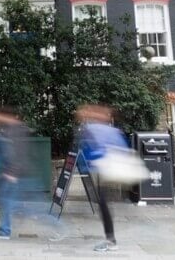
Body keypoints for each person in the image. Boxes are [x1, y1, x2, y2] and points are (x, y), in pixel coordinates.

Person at [77, 104, 125, 252]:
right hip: (111, 170)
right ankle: (110, 239)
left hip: (108, 170)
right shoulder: (111, 130)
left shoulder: (94, 129)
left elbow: (90, 151)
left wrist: (93, 160)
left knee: (104, 204)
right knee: (104, 204)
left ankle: (111, 241)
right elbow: (122, 147)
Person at [0, 106, 31, 241]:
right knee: (5, 200)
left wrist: (11, 171)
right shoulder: (11, 128)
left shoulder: (14, 130)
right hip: (12, 172)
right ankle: (4, 230)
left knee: (5, 201)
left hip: (13, 173)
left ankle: (5, 231)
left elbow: (17, 153)